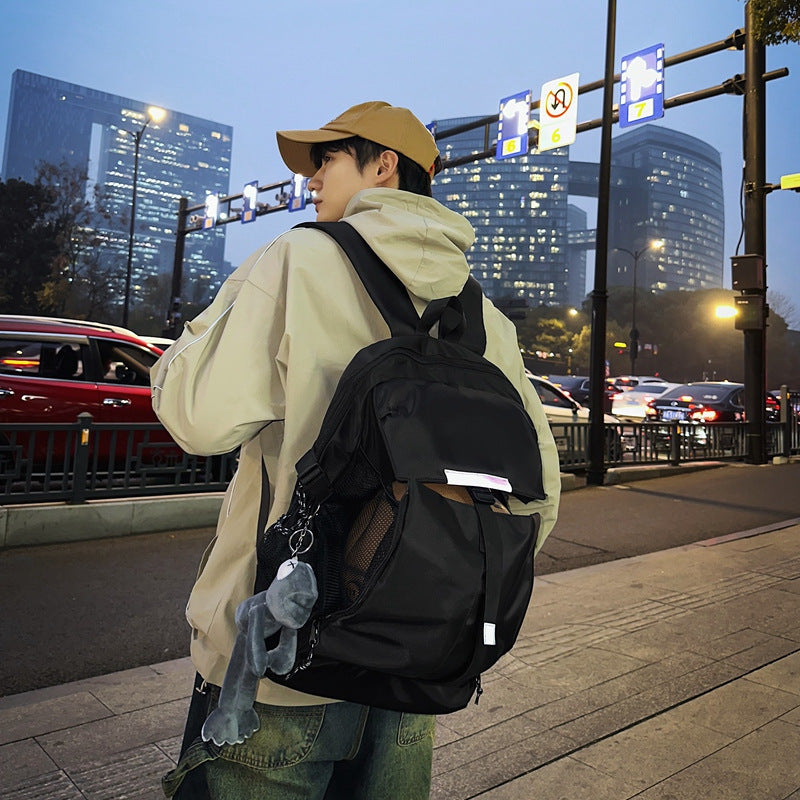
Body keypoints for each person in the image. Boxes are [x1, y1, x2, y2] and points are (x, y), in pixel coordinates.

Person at [152, 100, 561, 800]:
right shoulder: (483, 314)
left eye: (327, 158)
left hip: (277, 670)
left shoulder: (297, 259)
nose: (311, 179)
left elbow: (197, 418)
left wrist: (198, 331)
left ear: (383, 165)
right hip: (415, 670)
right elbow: (539, 499)